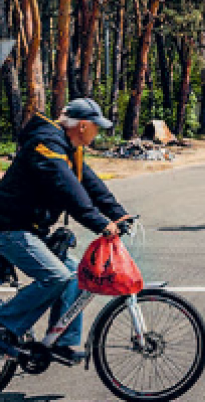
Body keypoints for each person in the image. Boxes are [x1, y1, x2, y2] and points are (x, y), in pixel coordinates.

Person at [0, 98, 128, 363]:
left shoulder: (70, 148)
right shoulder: (46, 144)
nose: (98, 132)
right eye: (96, 126)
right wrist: (100, 223)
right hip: (9, 227)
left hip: (31, 229)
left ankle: (61, 342)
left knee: (77, 275)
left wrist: (118, 213)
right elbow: (68, 189)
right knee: (56, 276)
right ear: (82, 126)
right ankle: (5, 325)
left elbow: (90, 185)